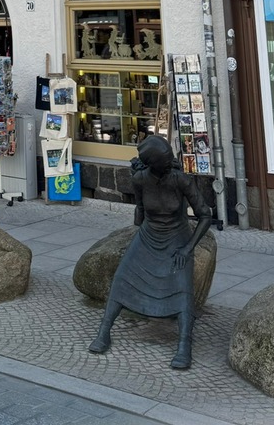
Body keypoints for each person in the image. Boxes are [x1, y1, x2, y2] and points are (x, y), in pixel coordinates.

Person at [88, 134, 212, 370]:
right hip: (149, 235)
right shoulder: (141, 179)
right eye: (164, 162)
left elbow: (205, 215)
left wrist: (187, 249)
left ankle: (184, 345)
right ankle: (104, 332)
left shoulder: (181, 180)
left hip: (177, 237)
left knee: (182, 285)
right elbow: (140, 213)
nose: (169, 164)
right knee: (123, 276)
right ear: (153, 164)